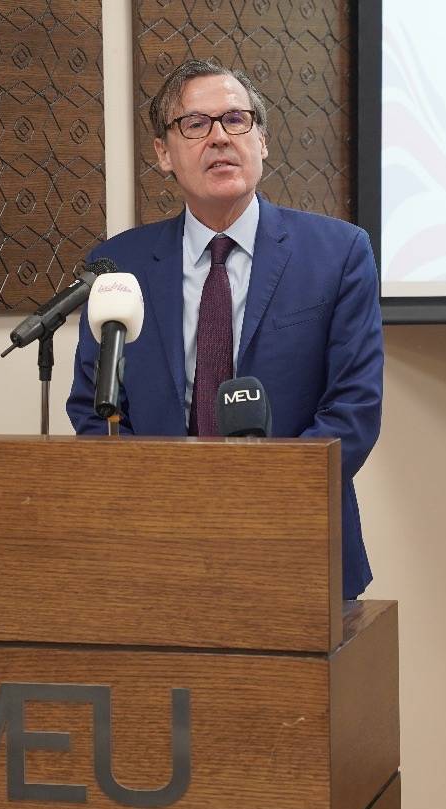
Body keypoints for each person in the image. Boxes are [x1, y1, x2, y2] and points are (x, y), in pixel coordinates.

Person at [67, 58, 383, 599]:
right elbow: (95, 409)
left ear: (262, 141)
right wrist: (171, 507)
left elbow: (353, 408)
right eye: (195, 124)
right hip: (157, 545)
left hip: (297, 543)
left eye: (236, 119)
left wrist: (252, 502)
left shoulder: (338, 253)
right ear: (163, 153)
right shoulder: (119, 265)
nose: (219, 137)